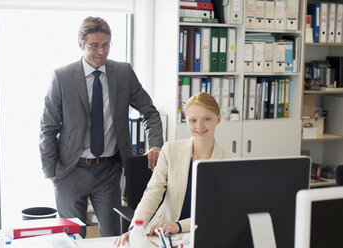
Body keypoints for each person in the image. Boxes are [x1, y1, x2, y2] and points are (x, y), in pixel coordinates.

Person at [39, 16, 163, 238]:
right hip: (70, 172)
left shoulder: (123, 73)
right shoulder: (62, 76)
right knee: (72, 239)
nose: (102, 51)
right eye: (94, 45)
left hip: (108, 172)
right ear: (80, 44)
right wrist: (51, 171)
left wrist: (155, 145)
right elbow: (48, 127)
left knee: (114, 237)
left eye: (106, 44)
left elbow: (150, 112)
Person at [114, 92, 238, 247]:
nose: (199, 126)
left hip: (206, 235)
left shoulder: (230, 161)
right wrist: (135, 228)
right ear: (186, 121)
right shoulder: (171, 150)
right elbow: (153, 192)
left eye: (207, 119)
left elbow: (220, 212)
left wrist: (178, 226)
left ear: (218, 119)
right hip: (165, 235)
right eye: (193, 120)